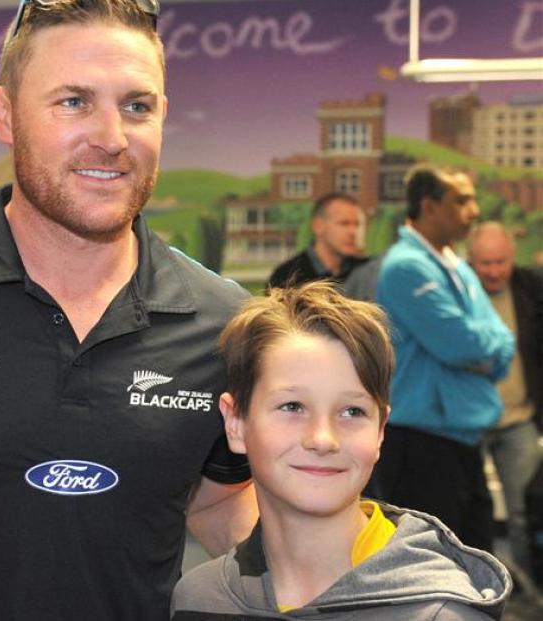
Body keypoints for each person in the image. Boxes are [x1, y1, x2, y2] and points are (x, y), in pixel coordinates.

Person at [0, 1, 257, 618]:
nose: (111, 137)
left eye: (137, 106)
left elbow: (216, 500)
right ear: (4, 114)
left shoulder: (224, 325)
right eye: (73, 102)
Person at [171, 282, 512, 620]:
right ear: (235, 423)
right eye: (292, 406)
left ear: (380, 430)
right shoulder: (200, 599)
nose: (323, 439)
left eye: (352, 412)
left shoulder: (439, 614)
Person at [372, 164, 514, 553]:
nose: (474, 210)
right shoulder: (406, 267)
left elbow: (502, 339)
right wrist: (483, 351)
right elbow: (462, 345)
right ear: (428, 206)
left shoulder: (455, 264)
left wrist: (489, 351)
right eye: (462, 200)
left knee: (477, 557)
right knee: (431, 567)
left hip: (461, 438)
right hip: (421, 444)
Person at [468, 221, 543, 584]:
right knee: (470, 511)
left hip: (520, 420)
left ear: (513, 258)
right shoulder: (457, 293)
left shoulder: (531, 288)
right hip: (468, 426)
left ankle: (531, 590)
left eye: (501, 262)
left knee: (525, 511)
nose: (494, 271)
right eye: (485, 263)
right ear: (470, 261)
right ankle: (480, 587)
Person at [267, 192, 367, 289]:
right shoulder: (287, 277)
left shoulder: (368, 272)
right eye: (344, 223)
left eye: (357, 225)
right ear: (318, 226)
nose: (353, 232)